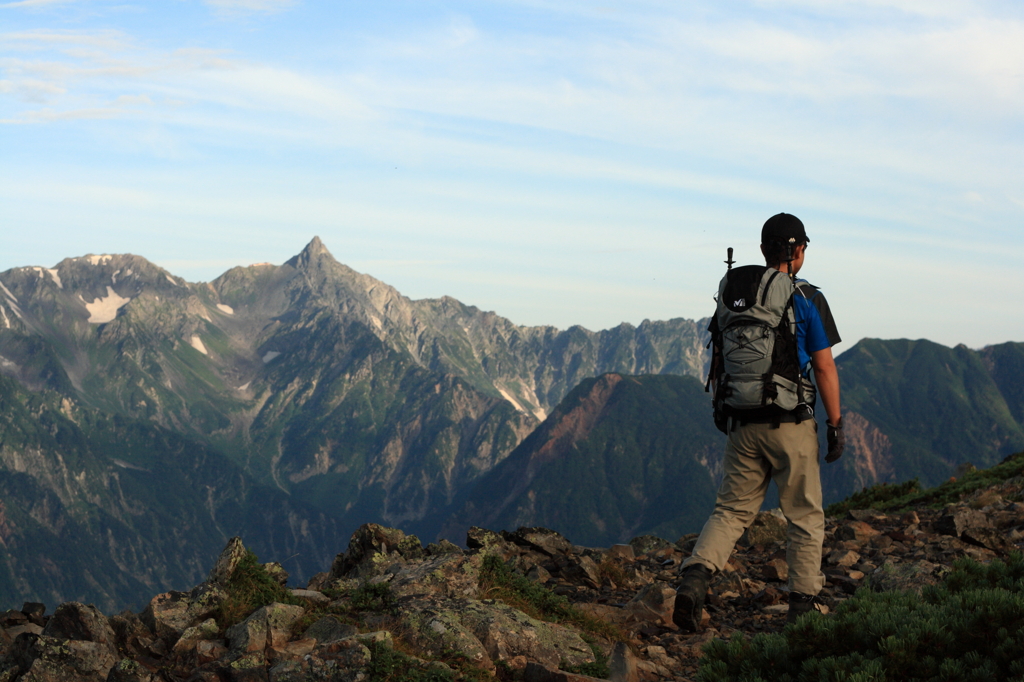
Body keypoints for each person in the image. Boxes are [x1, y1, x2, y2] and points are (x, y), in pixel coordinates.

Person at [674, 212, 845, 629]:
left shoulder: (735, 293)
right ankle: (804, 607)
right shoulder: (806, 297)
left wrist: (724, 406)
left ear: (766, 250)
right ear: (799, 250)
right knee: (804, 514)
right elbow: (823, 368)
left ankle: (694, 579)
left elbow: (718, 356)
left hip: (742, 419)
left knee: (731, 510)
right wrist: (836, 423)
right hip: (790, 423)